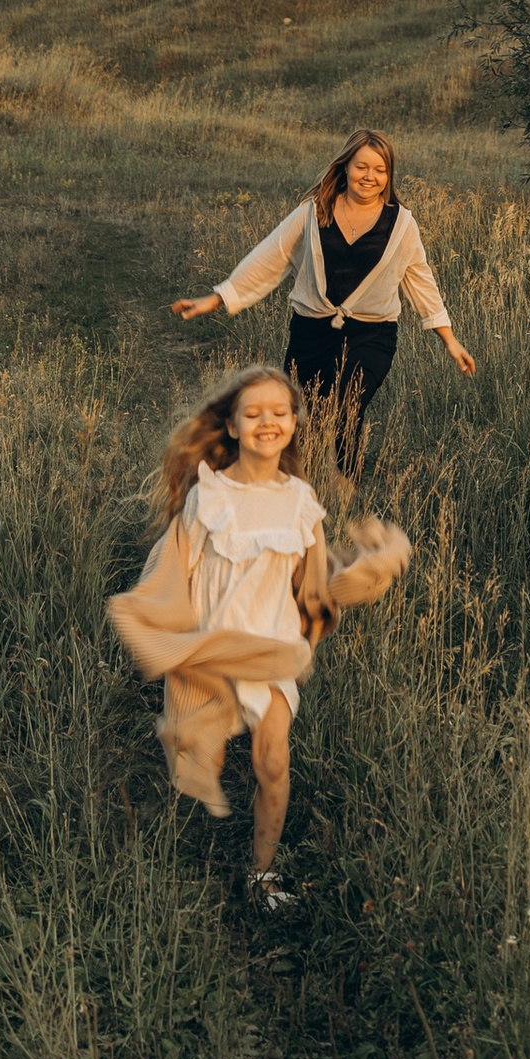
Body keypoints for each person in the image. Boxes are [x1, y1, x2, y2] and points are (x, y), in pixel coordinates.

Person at [105, 362, 410, 912]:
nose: (267, 421)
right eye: (254, 413)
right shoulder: (208, 497)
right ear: (232, 425)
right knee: (206, 754)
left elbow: (313, 588)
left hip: (271, 651)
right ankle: (183, 819)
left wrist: (365, 571)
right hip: (216, 650)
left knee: (272, 762)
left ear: (295, 421)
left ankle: (261, 873)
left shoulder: (301, 502)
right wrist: (162, 627)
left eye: (279, 412)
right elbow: (173, 571)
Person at [171, 128, 473, 464]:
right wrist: (218, 298)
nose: (369, 176)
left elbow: (421, 280)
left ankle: (345, 483)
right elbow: (270, 255)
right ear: (345, 167)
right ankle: (302, 485)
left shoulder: (401, 224)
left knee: (348, 405)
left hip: (372, 334)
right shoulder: (314, 211)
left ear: (389, 175)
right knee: (306, 420)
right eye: (362, 167)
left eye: (380, 169)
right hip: (311, 333)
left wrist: (449, 339)